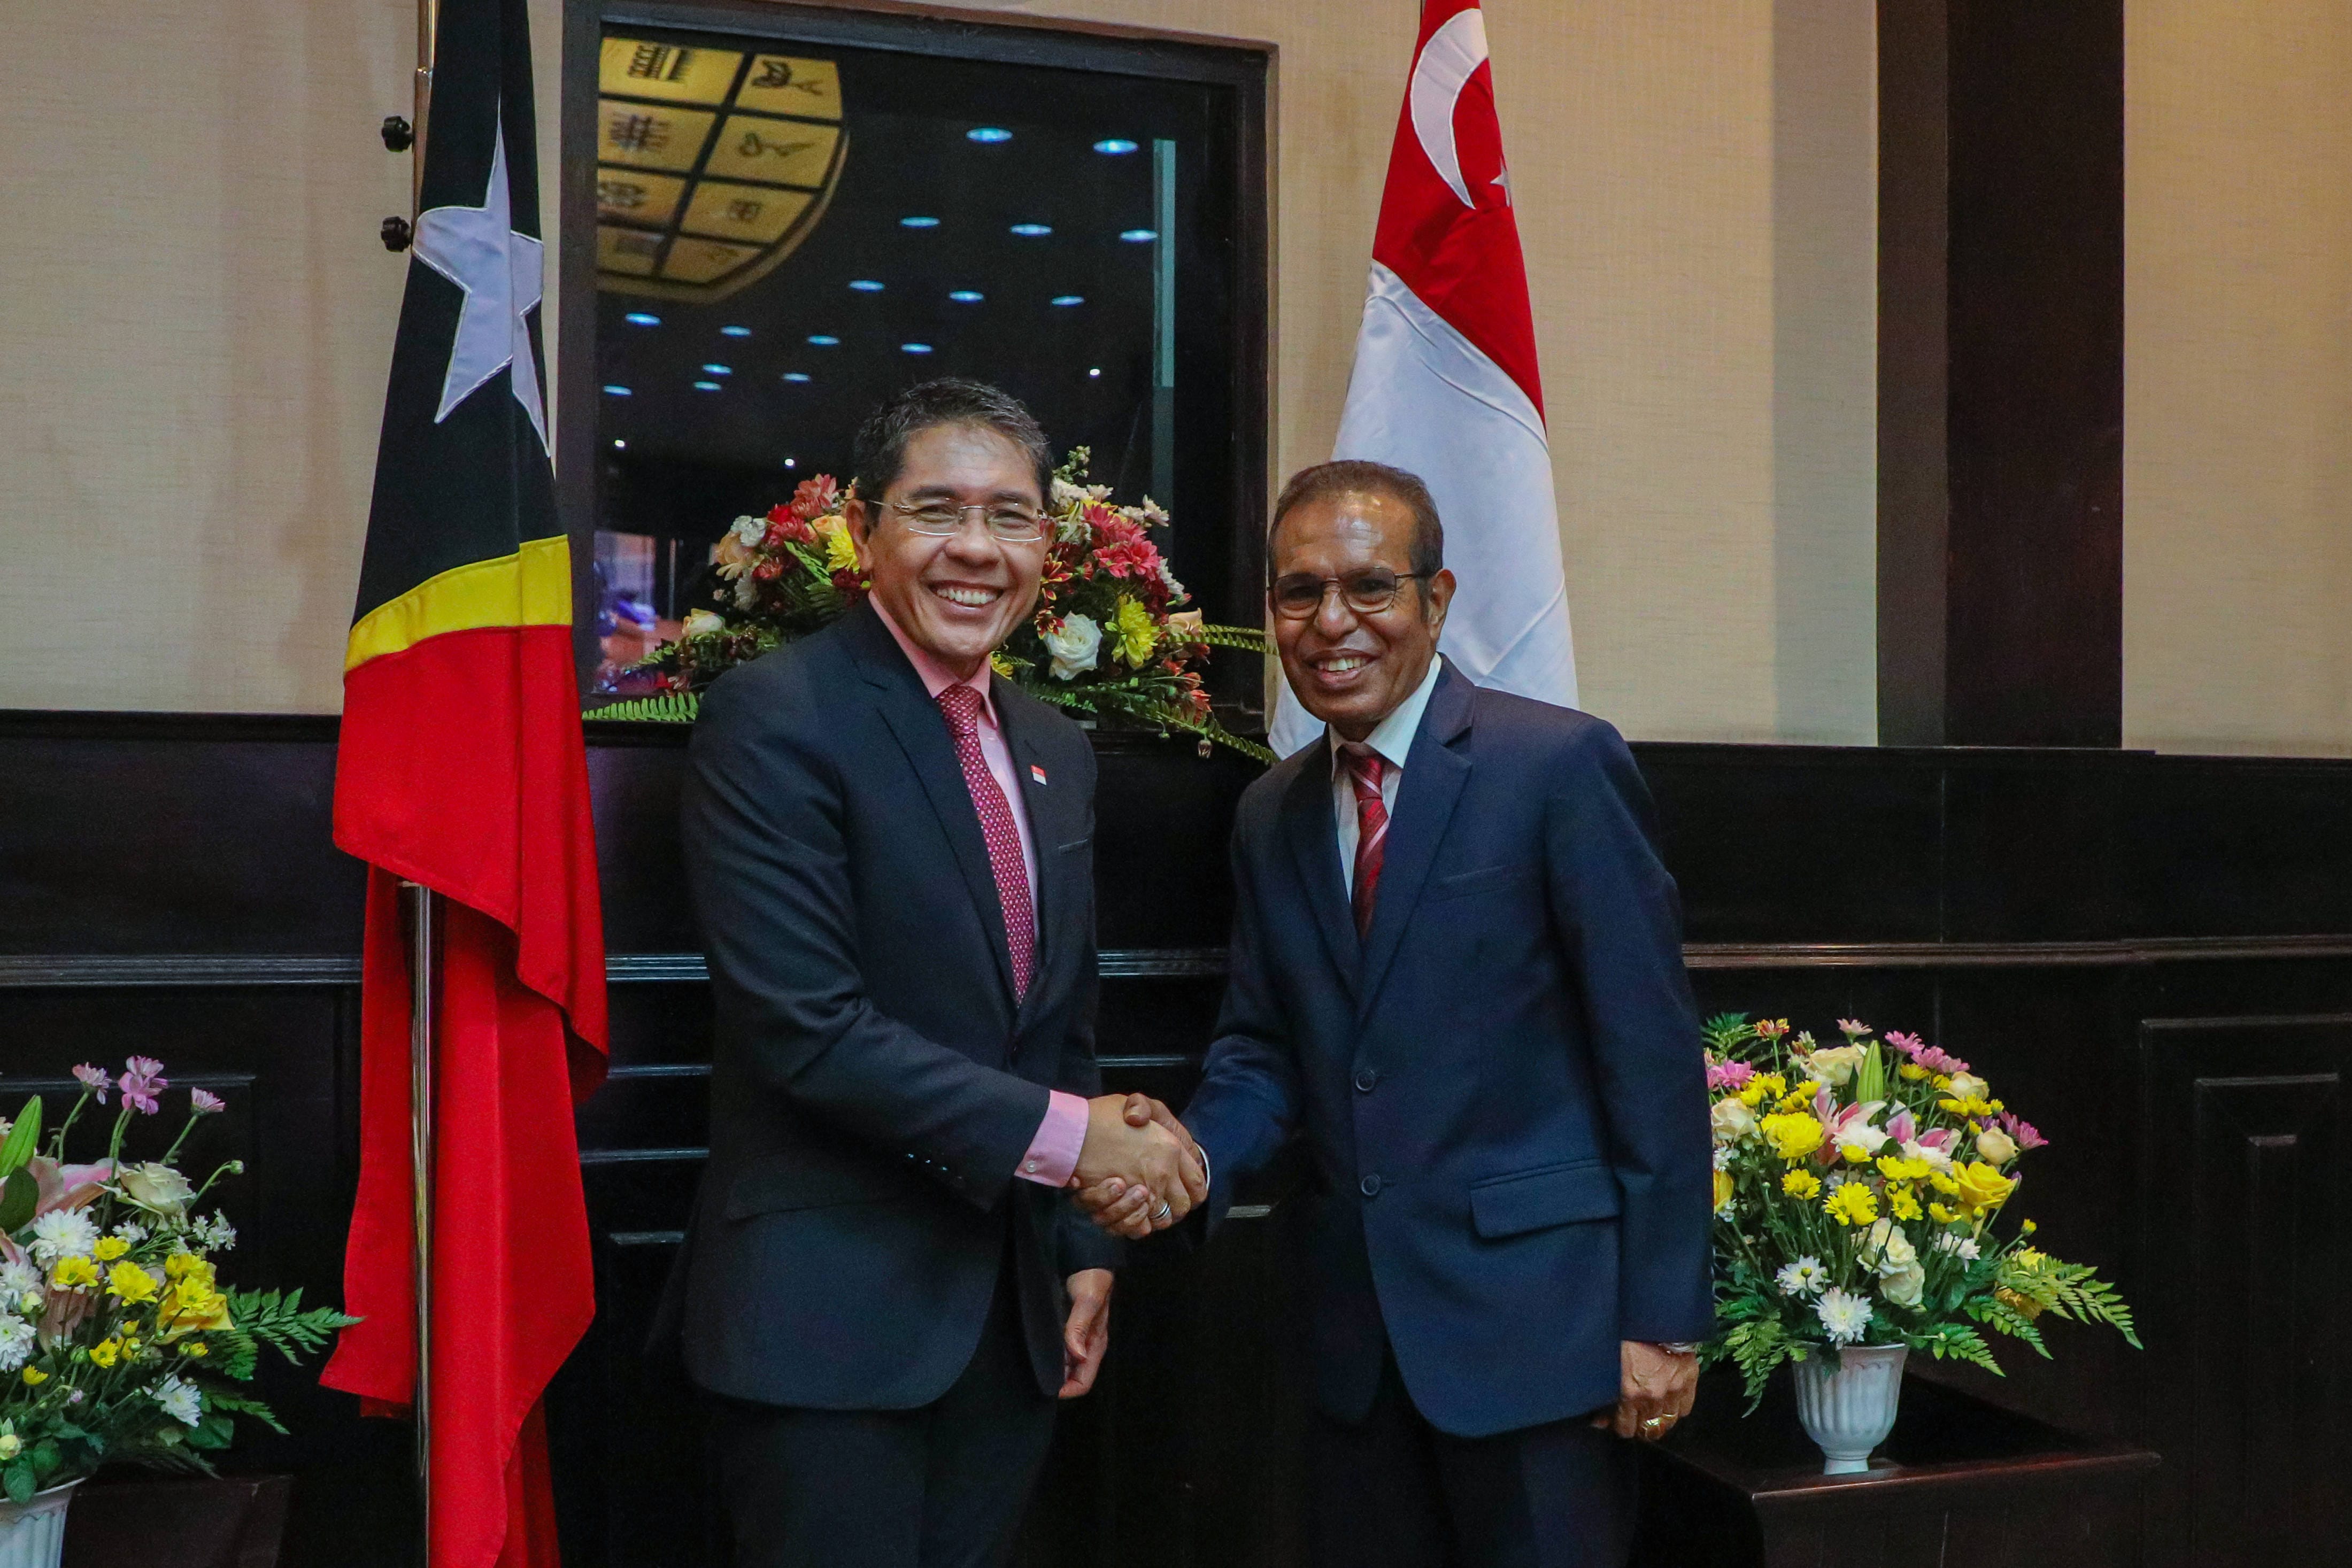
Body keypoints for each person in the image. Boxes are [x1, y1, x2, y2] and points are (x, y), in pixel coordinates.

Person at [1082, 460, 1714, 1568]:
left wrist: (1661, 1320)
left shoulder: (1557, 764)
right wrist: (1183, 1164)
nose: (1333, 622)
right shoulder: (1270, 810)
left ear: (1437, 597)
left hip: (1546, 1339)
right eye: (1299, 592)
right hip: (1356, 1347)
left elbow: (1650, 1053)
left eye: (1370, 586)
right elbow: (1262, 1052)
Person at [666, 379, 1204, 1568]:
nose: (976, 548)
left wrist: (1084, 1248)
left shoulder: (1053, 746)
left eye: (1011, 517)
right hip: (826, 1328)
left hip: (1008, 1324)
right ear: (864, 531)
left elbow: (1058, 1024)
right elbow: (806, 1028)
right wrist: (1078, 1144)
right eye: (937, 509)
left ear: (1048, 547)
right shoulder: (776, 715)